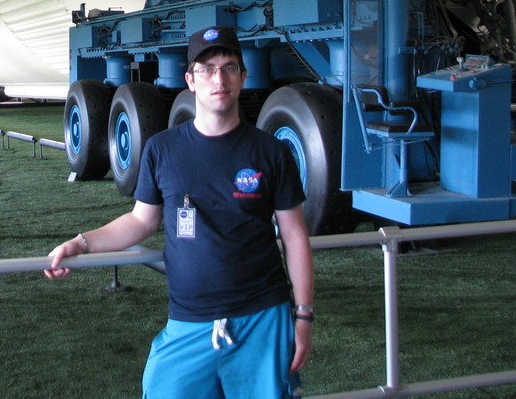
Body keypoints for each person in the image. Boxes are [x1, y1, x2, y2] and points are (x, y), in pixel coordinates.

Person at [46, 27, 315, 399]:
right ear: (189, 79)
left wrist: (302, 316)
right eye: (206, 69)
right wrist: (81, 243)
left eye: (229, 67)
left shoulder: (271, 152)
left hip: (262, 319)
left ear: (243, 76)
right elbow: (142, 220)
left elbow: (295, 236)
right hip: (188, 320)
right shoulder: (162, 149)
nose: (218, 78)